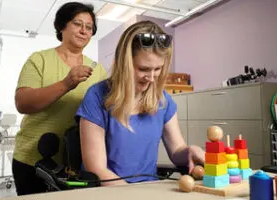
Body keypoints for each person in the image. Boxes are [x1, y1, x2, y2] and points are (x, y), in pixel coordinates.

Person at [76, 20, 205, 186]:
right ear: (125, 63)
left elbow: (176, 151)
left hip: (147, 190)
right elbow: (97, 170)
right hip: (109, 193)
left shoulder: (163, 101)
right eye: (143, 69)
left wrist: (189, 151)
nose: (151, 78)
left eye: (157, 69)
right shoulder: (96, 96)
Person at [12, 2, 107, 195]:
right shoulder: (39, 60)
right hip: (32, 160)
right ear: (62, 26)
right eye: (77, 24)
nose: (84, 31)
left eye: (89, 27)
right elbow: (23, 103)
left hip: (77, 164)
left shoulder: (98, 70)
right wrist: (66, 84)